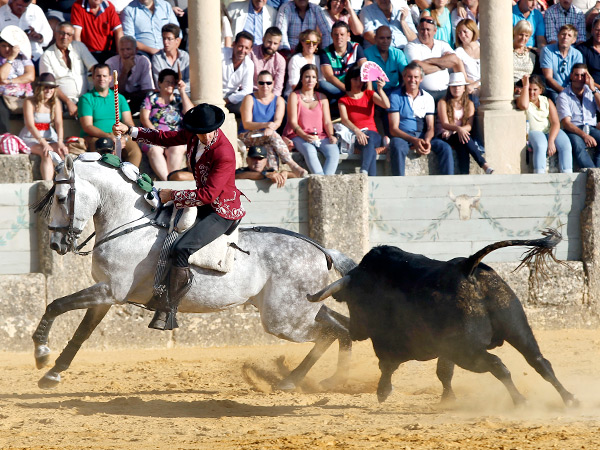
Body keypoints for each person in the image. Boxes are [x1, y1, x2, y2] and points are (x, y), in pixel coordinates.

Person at [113, 103, 246, 330]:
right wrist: (132, 131)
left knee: (182, 249)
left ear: (215, 128)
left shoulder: (224, 152)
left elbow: (208, 195)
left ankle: (169, 309)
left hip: (221, 210)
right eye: (198, 132)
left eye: (206, 132)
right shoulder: (195, 135)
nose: (201, 136)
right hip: (202, 201)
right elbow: (166, 137)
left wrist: (173, 194)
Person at [388, 62, 455, 176]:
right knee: (397, 146)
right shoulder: (395, 96)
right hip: (403, 136)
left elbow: (430, 127)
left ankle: (448, 183)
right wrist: (414, 140)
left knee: (445, 148)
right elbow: (394, 128)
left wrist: (427, 141)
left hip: (422, 135)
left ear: (421, 79)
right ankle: (398, 182)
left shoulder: (428, 98)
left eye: (416, 77)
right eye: (409, 76)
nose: (412, 80)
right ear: (404, 77)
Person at [239, 70, 308, 177]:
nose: (265, 86)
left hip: (268, 136)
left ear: (273, 84)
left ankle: (272, 174)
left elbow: (277, 122)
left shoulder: (278, 100)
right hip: (247, 135)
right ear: (257, 84)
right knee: (272, 136)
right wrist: (266, 125)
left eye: (268, 83)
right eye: (261, 83)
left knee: (270, 147)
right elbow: (247, 124)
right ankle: (293, 165)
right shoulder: (250, 98)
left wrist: (270, 128)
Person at [78, 63, 142, 166]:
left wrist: (123, 137)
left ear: (110, 78)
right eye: (98, 76)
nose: (101, 79)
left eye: (104, 76)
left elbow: (129, 122)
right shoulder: (86, 98)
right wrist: (109, 136)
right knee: (100, 149)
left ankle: (129, 180)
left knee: (135, 152)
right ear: (93, 77)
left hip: (119, 136)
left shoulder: (120, 98)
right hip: (95, 137)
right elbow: (87, 126)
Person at [284, 64, 340, 175]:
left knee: (334, 152)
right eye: (307, 76)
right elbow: (293, 122)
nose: (310, 80)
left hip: (319, 136)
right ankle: (319, 179)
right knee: (310, 150)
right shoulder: (294, 96)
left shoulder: (322, 97)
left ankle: (324, 182)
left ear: (317, 80)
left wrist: (331, 135)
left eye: (313, 77)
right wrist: (304, 136)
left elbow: (327, 121)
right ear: (301, 78)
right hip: (298, 136)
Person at [140, 68, 193, 180]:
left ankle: (171, 179)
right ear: (159, 82)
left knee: (177, 148)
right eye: (167, 81)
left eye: (173, 82)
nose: (170, 84)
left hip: (175, 137)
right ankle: (167, 181)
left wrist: (182, 91)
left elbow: (190, 113)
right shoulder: (151, 98)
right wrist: (156, 135)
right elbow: (144, 119)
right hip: (154, 135)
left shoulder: (179, 99)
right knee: (154, 149)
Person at [436, 72, 493, 174]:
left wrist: (460, 130)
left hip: (459, 135)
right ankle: (484, 164)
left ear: (464, 88)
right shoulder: (442, 102)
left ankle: (464, 174)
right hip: (445, 134)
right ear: (449, 88)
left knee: (462, 144)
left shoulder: (469, 104)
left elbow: (469, 126)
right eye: (453, 86)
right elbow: (444, 123)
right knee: (463, 138)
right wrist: (458, 129)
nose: (456, 88)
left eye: (459, 86)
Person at [39, 21, 98, 118]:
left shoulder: (79, 46)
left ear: (72, 36)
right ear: (55, 34)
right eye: (62, 33)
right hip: (62, 102)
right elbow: (49, 85)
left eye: (68, 34)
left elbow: (94, 68)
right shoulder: (47, 55)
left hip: (85, 98)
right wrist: (68, 102)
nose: (65, 37)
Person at [338, 66, 390, 176]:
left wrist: (380, 90)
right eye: (355, 79)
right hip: (356, 135)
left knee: (369, 139)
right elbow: (345, 119)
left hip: (372, 133)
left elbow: (386, 105)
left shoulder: (369, 94)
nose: (359, 82)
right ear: (349, 80)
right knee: (369, 147)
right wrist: (357, 131)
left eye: (361, 79)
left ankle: (364, 170)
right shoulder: (343, 100)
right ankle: (369, 176)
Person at [516, 74, 573, 173]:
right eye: (529, 89)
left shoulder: (547, 101)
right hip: (534, 131)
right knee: (541, 145)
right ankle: (539, 174)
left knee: (566, 145)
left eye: (535, 90)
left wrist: (551, 141)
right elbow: (524, 106)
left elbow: (555, 122)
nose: (531, 93)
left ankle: (567, 174)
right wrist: (525, 86)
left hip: (548, 130)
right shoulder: (522, 99)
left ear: (541, 90)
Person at [19, 73, 68, 180]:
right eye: (46, 87)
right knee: (46, 153)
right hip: (31, 137)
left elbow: (59, 123)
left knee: (61, 151)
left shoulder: (55, 102)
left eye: (52, 88)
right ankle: (47, 184)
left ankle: (66, 182)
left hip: (49, 136)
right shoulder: (29, 101)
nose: (49, 90)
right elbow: (30, 125)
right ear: (40, 88)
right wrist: (44, 143)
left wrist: (60, 142)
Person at [404, 16, 466, 102]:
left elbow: (454, 60)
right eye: (422, 29)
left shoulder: (442, 44)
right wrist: (442, 65)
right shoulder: (411, 46)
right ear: (418, 29)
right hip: (424, 94)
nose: (425, 33)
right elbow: (417, 68)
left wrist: (429, 61)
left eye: (428, 30)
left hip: (445, 93)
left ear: (435, 31)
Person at [556, 63, 600, 169]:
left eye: (583, 75)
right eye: (576, 75)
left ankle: (598, 171)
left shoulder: (592, 91)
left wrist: (593, 88)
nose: (579, 78)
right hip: (574, 129)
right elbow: (566, 123)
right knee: (578, 146)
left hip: (591, 127)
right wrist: (585, 136)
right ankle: (593, 172)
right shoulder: (563, 96)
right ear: (571, 76)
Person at [106, 35, 155, 115]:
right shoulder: (110, 63)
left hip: (137, 102)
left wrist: (129, 96)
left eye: (128, 49)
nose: (125, 53)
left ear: (136, 50)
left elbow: (147, 90)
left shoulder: (143, 61)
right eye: (122, 49)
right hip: (117, 103)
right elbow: (114, 93)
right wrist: (125, 71)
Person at [319, 21, 367, 100]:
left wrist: (368, 92)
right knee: (322, 84)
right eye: (336, 34)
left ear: (348, 35)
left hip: (356, 85)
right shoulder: (325, 52)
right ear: (331, 35)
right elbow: (329, 77)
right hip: (338, 88)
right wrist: (348, 91)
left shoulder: (356, 47)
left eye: (342, 34)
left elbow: (365, 69)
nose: (339, 37)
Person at [0, 28, 34, 134]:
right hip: (4, 97)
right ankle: (4, 137)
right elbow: (1, 77)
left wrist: (11, 81)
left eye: (10, 46)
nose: (7, 49)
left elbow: (30, 76)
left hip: (24, 96)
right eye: (3, 46)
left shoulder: (24, 58)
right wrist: (11, 58)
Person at [541, 24, 583, 102]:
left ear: (574, 40)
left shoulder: (577, 54)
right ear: (558, 36)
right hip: (553, 89)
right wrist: (565, 92)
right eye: (563, 34)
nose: (565, 37)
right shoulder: (547, 50)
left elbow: (578, 77)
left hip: (572, 89)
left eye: (569, 35)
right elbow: (548, 77)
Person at [364, 25, 408, 94]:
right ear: (375, 38)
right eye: (382, 38)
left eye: (388, 38)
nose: (385, 41)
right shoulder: (366, 54)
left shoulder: (398, 53)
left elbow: (406, 74)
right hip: (375, 93)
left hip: (395, 91)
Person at [222, 31, 255, 117]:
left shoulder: (249, 64)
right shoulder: (220, 54)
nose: (243, 51)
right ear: (234, 44)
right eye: (240, 46)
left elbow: (247, 90)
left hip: (231, 99)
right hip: (214, 95)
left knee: (249, 107)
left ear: (251, 50)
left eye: (247, 48)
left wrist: (227, 100)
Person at [151, 23, 190, 93]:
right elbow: (159, 84)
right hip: (165, 95)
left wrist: (177, 91)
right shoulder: (157, 58)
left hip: (183, 94)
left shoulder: (185, 56)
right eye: (164, 38)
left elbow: (189, 83)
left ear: (177, 40)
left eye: (169, 39)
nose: (165, 42)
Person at [284, 28, 323, 97]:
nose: (311, 45)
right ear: (302, 43)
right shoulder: (296, 59)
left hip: (313, 95)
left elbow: (321, 82)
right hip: (294, 95)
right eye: (308, 42)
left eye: (314, 43)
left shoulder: (319, 59)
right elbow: (294, 85)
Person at [250, 27, 286, 96]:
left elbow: (278, 88)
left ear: (279, 44)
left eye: (275, 43)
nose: (271, 46)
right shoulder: (251, 53)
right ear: (263, 39)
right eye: (269, 42)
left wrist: (273, 102)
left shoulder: (280, 61)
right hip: (251, 92)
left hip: (269, 95)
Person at [454, 19, 480, 91]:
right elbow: (464, 78)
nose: (462, 35)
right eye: (459, 33)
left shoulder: (484, 48)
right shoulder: (458, 53)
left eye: (465, 32)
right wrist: (477, 85)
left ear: (473, 31)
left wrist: (479, 83)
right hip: (471, 90)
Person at [576, 15, 600, 89]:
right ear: (592, 30)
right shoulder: (582, 49)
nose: (599, 33)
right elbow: (584, 75)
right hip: (590, 89)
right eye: (597, 29)